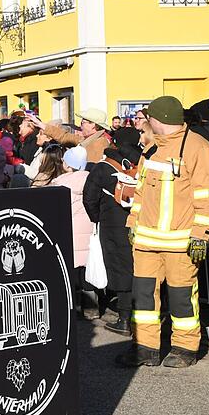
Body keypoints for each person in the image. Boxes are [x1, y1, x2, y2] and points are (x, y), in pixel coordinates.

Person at [118, 96, 209, 368]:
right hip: (146, 241)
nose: (144, 123)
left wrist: (201, 233)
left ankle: (185, 348)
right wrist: (133, 223)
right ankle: (145, 348)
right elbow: (141, 192)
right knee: (142, 297)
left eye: (147, 118)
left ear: (158, 120)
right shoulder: (152, 149)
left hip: (181, 243)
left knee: (181, 298)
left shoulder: (198, 148)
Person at [83, 127, 143, 333]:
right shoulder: (142, 163)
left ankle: (124, 318)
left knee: (120, 268)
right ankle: (145, 316)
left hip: (113, 224)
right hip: (143, 221)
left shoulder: (103, 167)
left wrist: (97, 218)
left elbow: (89, 198)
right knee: (142, 268)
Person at [53, 147, 97, 319]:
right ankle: (92, 309)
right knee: (87, 270)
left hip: (70, 230)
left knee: (71, 270)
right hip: (88, 229)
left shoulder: (60, 183)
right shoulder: (90, 180)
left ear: (69, 164)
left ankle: (75, 307)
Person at [31, 107, 112, 165]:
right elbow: (65, 136)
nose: (80, 126)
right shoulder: (89, 140)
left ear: (93, 125)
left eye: (82, 122)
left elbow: (90, 171)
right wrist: (41, 125)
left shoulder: (99, 144)